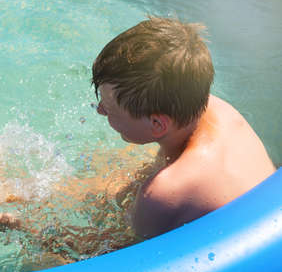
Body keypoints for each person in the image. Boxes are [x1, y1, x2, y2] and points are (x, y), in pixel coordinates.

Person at [91, 16, 276, 240]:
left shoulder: (163, 192)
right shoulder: (218, 109)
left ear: (157, 124)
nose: (100, 110)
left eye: (110, 109)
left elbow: (125, 255)